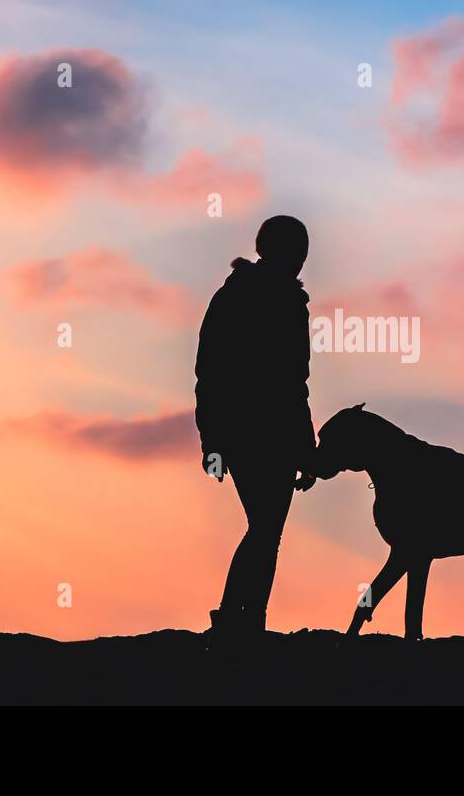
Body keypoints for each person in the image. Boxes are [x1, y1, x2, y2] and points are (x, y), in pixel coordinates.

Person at [195, 215, 318, 640]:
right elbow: (288, 381)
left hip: (252, 434)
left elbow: (210, 376)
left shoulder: (236, 296)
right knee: (266, 529)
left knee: (266, 530)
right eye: (297, 250)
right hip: (260, 433)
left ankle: (244, 620)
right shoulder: (275, 301)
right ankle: (238, 619)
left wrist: (213, 441)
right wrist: (212, 442)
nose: (300, 260)